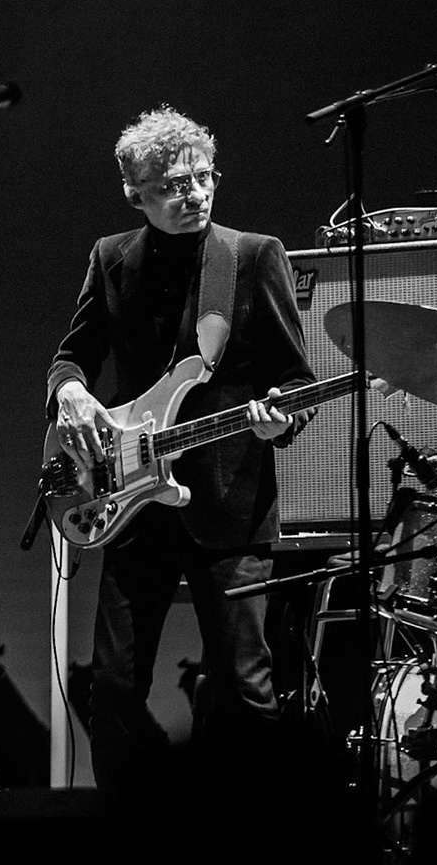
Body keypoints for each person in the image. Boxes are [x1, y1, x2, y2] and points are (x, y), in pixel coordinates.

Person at [45, 106, 315, 787]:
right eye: (173, 185)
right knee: (111, 692)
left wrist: (278, 422)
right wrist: (69, 393)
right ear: (136, 193)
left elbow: (296, 383)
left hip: (230, 504)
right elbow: (72, 356)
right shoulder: (112, 258)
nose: (194, 194)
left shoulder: (252, 256)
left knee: (246, 695)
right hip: (134, 502)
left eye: (203, 178)